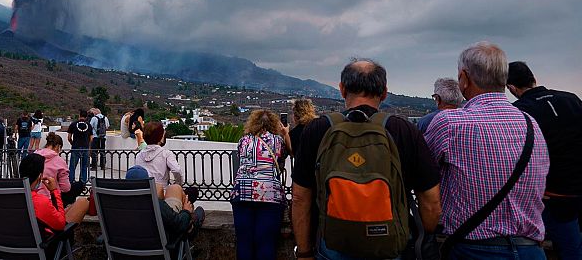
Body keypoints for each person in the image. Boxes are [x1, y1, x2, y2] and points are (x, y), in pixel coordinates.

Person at [292, 59, 442, 260]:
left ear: (342, 89)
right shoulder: (404, 130)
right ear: (384, 92)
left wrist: (303, 252)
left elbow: (300, 198)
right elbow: (431, 202)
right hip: (389, 247)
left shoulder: (318, 129)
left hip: (333, 246)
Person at [425, 42, 550, 259]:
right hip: (530, 249)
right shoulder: (531, 124)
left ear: (464, 79)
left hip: (474, 249)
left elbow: (422, 175)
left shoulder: (450, 124)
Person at [507, 60, 582, 259]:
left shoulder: (520, 111)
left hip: (555, 195)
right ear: (533, 78)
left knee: (569, 249)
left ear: (512, 88)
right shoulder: (572, 99)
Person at [230, 109, 291, 260]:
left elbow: (241, 158)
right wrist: (286, 134)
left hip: (242, 193)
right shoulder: (278, 141)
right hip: (269, 195)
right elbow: (286, 154)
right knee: (266, 243)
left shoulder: (243, 141)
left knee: (244, 242)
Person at [18, 153, 90, 256]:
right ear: (39, 176)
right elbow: (60, 225)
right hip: (47, 247)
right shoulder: (39, 201)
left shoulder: (11, 198)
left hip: (12, 248)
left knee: (71, 207)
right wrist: (54, 191)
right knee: (83, 202)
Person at [124, 165, 205, 256]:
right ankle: (187, 204)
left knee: (167, 190)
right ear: (147, 184)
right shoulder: (153, 203)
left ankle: (185, 198)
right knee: (198, 212)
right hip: (162, 250)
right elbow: (179, 224)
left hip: (122, 253)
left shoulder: (113, 205)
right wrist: (186, 211)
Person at [36, 132, 85, 207]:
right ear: (57, 147)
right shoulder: (59, 161)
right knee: (79, 186)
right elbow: (66, 188)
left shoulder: (34, 156)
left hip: (35, 196)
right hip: (52, 198)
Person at [136, 121, 183, 189]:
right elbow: (176, 170)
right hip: (162, 191)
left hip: (144, 191)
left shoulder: (139, 155)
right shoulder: (166, 154)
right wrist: (178, 184)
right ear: (160, 138)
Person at [67, 109, 92, 183]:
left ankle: (71, 182)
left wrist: (72, 143)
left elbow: (69, 137)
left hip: (75, 147)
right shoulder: (89, 125)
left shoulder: (73, 124)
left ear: (79, 115)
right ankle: (83, 183)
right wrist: (88, 145)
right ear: (86, 117)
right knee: (84, 167)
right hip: (85, 147)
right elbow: (91, 138)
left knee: (72, 167)